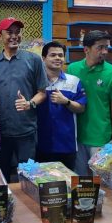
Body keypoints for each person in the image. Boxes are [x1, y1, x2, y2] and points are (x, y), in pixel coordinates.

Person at [0, 17, 47, 178]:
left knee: (27, 176)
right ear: (0, 36)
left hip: (26, 131)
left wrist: (30, 103)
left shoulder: (34, 60)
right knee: (0, 176)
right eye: (9, 32)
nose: (14, 36)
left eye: (17, 32)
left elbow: (42, 92)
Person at [66, 30, 112, 175]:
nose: (105, 52)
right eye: (100, 47)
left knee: (101, 179)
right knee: (80, 179)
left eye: (106, 47)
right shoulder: (72, 68)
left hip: (101, 136)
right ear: (86, 49)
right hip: (76, 135)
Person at [36, 42, 86, 170]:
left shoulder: (74, 81)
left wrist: (66, 101)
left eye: (60, 55)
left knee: (67, 181)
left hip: (66, 145)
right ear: (43, 58)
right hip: (40, 144)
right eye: (53, 55)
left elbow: (81, 108)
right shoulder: (35, 81)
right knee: (42, 180)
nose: (58, 58)